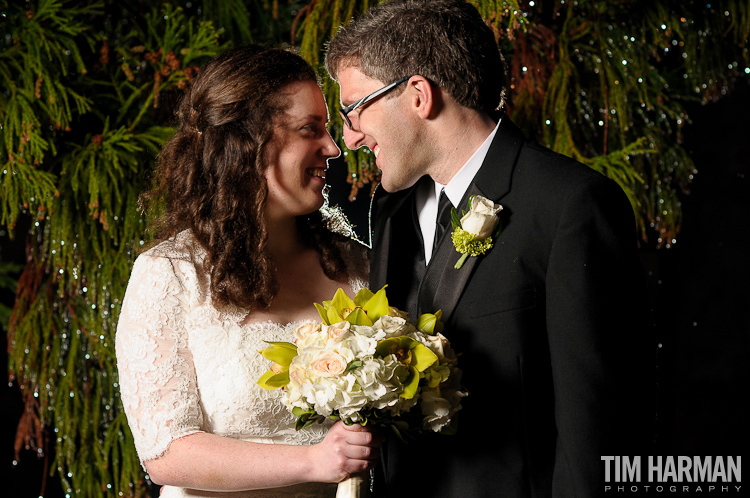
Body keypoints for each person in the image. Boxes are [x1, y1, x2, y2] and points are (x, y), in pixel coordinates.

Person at [325, 1, 655, 497]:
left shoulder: (569, 204)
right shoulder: (389, 211)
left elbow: (599, 421)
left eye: (353, 109)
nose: (348, 137)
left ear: (418, 95)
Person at [115, 45, 381, 498]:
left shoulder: (356, 268)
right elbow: (165, 453)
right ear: (248, 144)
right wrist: (313, 460)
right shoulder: (169, 274)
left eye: (329, 130)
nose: (333, 149)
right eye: (310, 130)